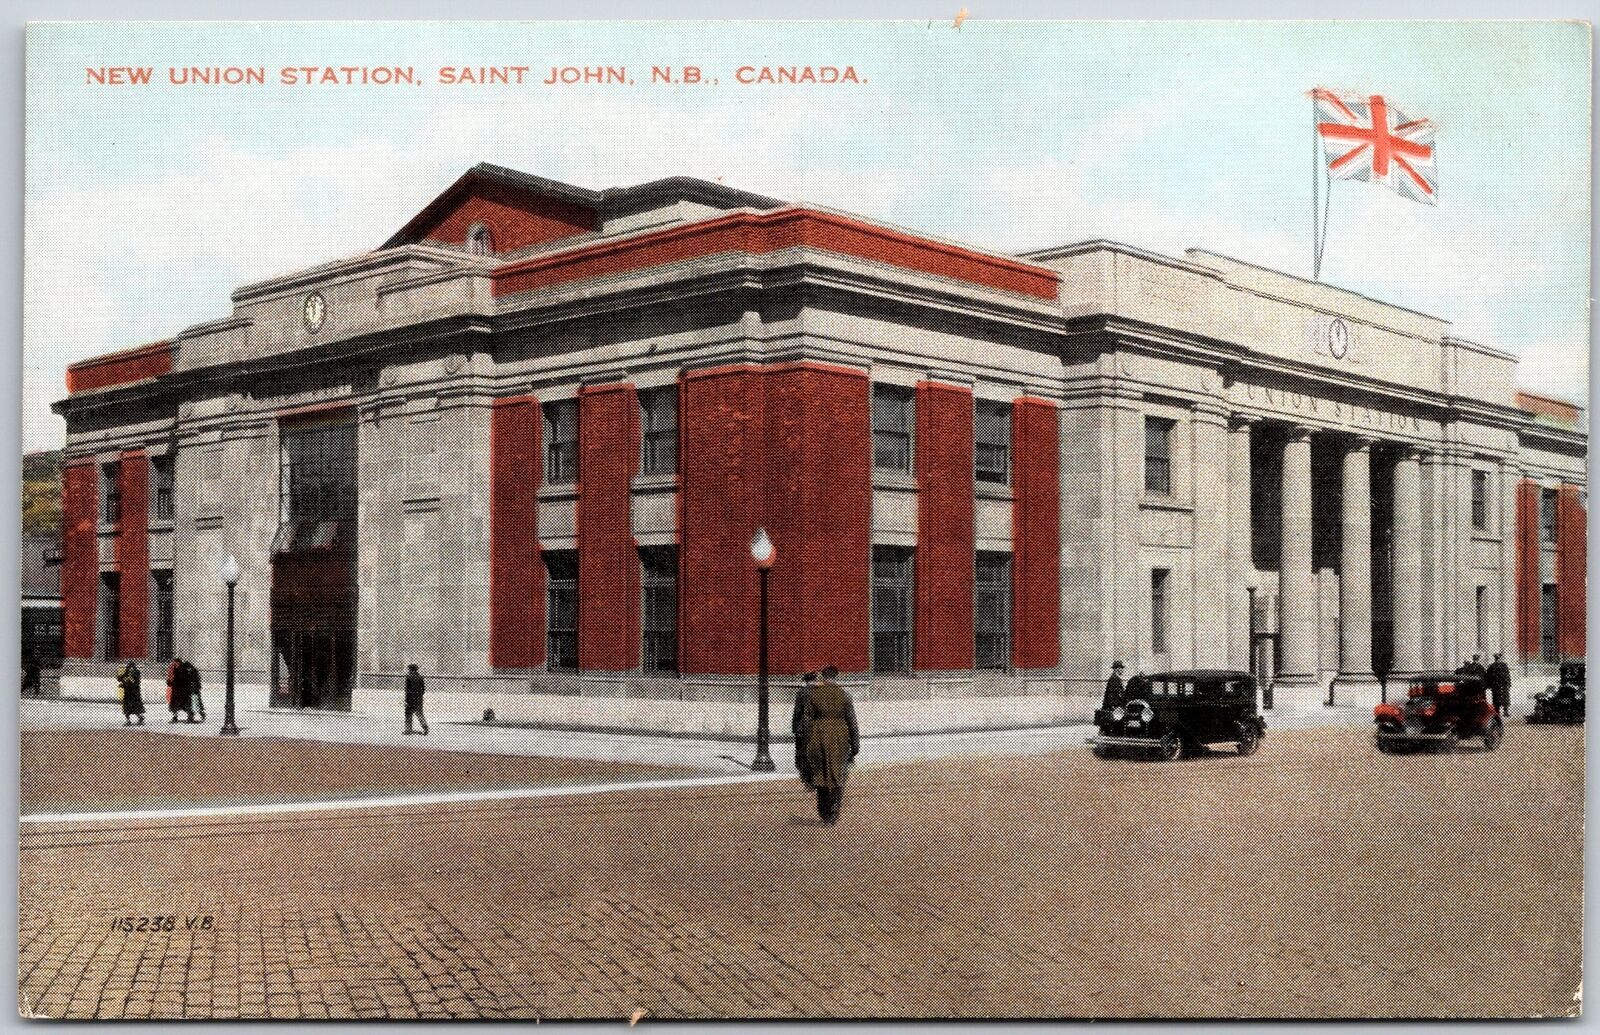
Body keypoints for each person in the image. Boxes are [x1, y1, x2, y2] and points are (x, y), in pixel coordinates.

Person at [799, 665, 858, 825]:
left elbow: (806, 721)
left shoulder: (814, 695)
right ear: (836, 677)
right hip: (840, 738)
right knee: (839, 774)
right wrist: (855, 744)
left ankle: (824, 812)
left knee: (821, 774)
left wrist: (805, 744)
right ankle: (834, 812)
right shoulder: (845, 695)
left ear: (823, 677)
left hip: (818, 737)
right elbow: (852, 721)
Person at [791, 671, 817, 786]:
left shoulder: (801, 692)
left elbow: (797, 712)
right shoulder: (820, 691)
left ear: (806, 681)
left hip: (804, 726)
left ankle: (805, 773)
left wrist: (794, 726)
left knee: (802, 749)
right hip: (817, 725)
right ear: (815, 679)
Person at [403, 663, 429, 735]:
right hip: (418, 698)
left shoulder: (408, 677)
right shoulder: (420, 677)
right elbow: (423, 689)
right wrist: (419, 695)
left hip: (410, 698)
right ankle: (425, 727)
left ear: (410, 669)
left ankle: (408, 730)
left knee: (408, 714)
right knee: (420, 713)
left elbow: (407, 690)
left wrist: (406, 700)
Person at [118, 660, 145, 726]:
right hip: (132, 693)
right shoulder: (131, 672)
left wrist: (124, 684)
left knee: (130, 707)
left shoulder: (134, 673)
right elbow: (120, 679)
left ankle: (130, 720)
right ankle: (138, 718)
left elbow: (133, 683)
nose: (130, 668)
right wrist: (124, 682)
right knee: (132, 707)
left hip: (131, 693)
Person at [1487, 652, 1512, 717]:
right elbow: (1507, 675)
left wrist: (1489, 685)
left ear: (1495, 658)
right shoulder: (1504, 665)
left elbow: (1488, 676)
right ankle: (1505, 711)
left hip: (1496, 685)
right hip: (1503, 684)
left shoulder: (1492, 666)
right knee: (1504, 697)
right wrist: (1509, 683)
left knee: (1496, 698)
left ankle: (1498, 712)